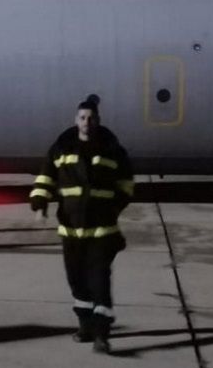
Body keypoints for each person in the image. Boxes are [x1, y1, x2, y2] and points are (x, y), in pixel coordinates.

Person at [29, 96, 134, 353]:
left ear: (98, 120)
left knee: (99, 282)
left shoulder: (112, 149)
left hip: (102, 230)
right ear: (76, 120)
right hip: (71, 229)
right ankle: (85, 326)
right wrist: (40, 203)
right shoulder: (61, 148)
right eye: (83, 118)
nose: (87, 122)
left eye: (91, 118)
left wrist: (111, 209)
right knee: (76, 281)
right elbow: (45, 177)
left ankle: (102, 334)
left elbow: (126, 185)